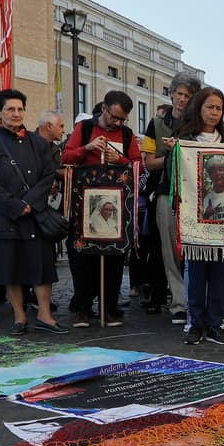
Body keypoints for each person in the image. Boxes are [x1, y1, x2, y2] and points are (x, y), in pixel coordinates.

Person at [0, 88, 67, 335]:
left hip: (34, 214)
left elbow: (49, 174)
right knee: (11, 269)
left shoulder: (39, 142)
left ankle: (46, 317)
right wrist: (16, 205)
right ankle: (20, 317)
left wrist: (30, 202)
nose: (16, 114)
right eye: (10, 109)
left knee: (42, 268)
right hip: (5, 216)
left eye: (20, 109)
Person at [62, 89, 142, 328]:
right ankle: (83, 309)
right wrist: (87, 148)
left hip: (116, 204)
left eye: (121, 119)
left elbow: (139, 165)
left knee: (114, 257)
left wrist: (122, 161)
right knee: (84, 256)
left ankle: (109, 309)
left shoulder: (126, 135)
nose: (116, 123)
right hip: (85, 203)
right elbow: (66, 156)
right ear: (104, 109)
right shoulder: (84, 129)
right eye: (113, 117)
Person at [171, 86, 224, 346]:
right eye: (210, 107)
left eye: (218, 108)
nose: (214, 112)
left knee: (220, 272)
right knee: (196, 272)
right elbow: (173, 175)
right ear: (199, 108)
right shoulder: (184, 139)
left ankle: (215, 322)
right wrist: (173, 153)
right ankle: (196, 323)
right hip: (195, 218)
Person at [144, 73, 201, 324]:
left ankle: (195, 299)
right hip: (166, 191)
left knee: (193, 249)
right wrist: (170, 154)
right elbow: (148, 163)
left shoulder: (198, 125)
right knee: (169, 249)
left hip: (194, 195)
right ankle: (179, 301)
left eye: (188, 96)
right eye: (179, 93)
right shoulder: (155, 124)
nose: (182, 99)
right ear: (172, 94)